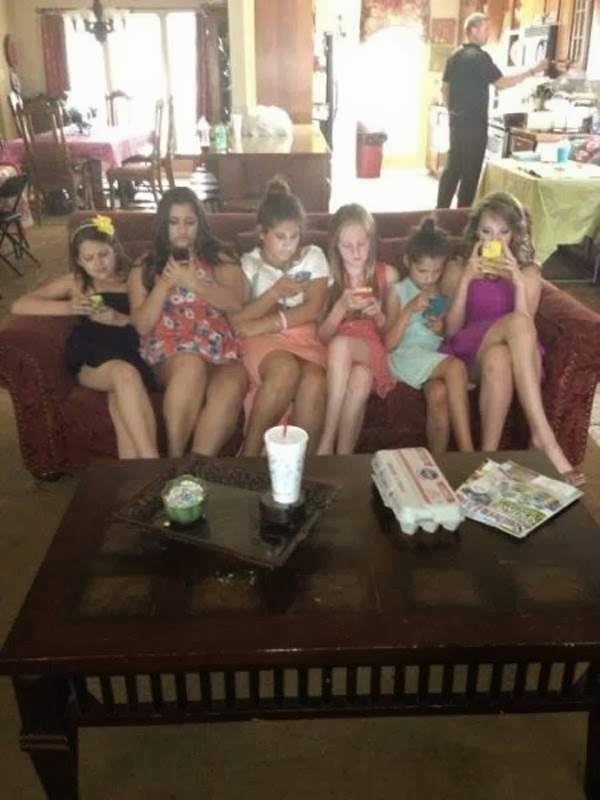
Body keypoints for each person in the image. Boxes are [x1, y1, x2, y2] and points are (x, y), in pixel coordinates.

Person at [440, 191, 585, 486]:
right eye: (487, 231)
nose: (494, 240)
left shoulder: (529, 272)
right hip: (469, 352)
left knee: (501, 357)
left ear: (515, 235)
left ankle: (486, 459)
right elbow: (450, 330)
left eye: (503, 232)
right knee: (513, 328)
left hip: (512, 355)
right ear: (476, 233)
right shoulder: (457, 266)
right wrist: (467, 278)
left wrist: (516, 281)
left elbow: (526, 330)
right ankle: (544, 437)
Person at [12, 214, 159, 460]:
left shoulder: (134, 278)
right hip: (94, 357)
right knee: (125, 375)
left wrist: (120, 318)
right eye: (89, 258)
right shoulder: (78, 282)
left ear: (115, 250)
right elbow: (19, 305)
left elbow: (155, 319)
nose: (98, 263)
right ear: (79, 261)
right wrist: (69, 307)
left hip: (133, 353)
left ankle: (134, 476)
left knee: (121, 406)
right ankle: (153, 463)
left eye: (103, 255)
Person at [128, 186, 248, 457]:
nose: (182, 230)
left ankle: (194, 467)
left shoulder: (220, 257)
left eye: (189, 222)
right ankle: (175, 459)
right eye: (174, 222)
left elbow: (235, 302)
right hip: (172, 348)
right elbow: (142, 324)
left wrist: (193, 282)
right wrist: (165, 284)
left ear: (200, 224)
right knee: (190, 366)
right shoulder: (146, 264)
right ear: (163, 225)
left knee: (231, 385)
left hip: (220, 347)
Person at [231, 177, 329, 457]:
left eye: (294, 236)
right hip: (263, 342)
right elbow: (237, 321)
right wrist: (275, 292)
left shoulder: (313, 256)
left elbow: (312, 308)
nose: (288, 245)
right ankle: (250, 455)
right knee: (284, 369)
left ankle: (301, 463)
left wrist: (269, 321)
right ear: (262, 233)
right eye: (280, 237)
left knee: (315, 380)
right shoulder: (249, 265)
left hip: (300, 336)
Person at [437, 12, 548, 209]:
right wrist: (533, 70)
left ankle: (440, 213)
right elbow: (502, 83)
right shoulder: (480, 57)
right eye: (485, 29)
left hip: (457, 124)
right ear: (473, 30)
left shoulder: (455, 55)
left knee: (452, 169)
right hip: (474, 126)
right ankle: (462, 216)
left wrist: (453, 111)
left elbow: (444, 88)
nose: (488, 34)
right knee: (470, 175)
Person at [386, 217, 474, 454]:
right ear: (407, 262)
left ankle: (438, 461)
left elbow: (446, 334)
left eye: (436, 271)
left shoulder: (441, 291)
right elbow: (388, 345)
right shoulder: (397, 291)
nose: (429, 277)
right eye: (422, 271)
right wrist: (409, 308)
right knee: (456, 368)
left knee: (438, 394)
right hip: (404, 355)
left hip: (432, 357)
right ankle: (469, 452)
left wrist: (440, 328)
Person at [317, 203, 397, 455]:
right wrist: (341, 306)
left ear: (371, 241)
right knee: (360, 378)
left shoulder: (387, 275)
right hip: (338, 357)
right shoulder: (328, 278)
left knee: (341, 346)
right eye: (347, 246)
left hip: (371, 349)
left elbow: (393, 335)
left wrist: (379, 316)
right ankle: (343, 459)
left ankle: (326, 440)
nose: (355, 252)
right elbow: (321, 336)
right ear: (335, 246)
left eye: (361, 244)